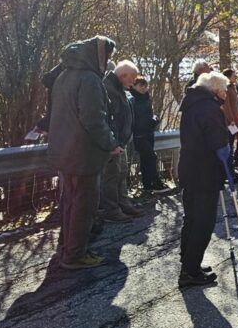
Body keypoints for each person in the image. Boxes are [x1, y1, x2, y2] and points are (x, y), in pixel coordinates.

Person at [46, 35, 120, 270]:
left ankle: (68, 248)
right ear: (98, 55)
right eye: (107, 55)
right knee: (84, 205)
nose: (108, 61)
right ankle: (75, 254)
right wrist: (111, 143)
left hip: (65, 152)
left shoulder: (64, 76)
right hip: (83, 154)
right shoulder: (88, 79)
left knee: (69, 202)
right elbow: (94, 120)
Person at [177, 71, 229, 288]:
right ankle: (190, 271)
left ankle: (189, 262)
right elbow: (218, 142)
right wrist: (228, 168)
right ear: (216, 89)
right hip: (205, 171)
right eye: (225, 89)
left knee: (191, 218)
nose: (226, 93)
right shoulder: (209, 108)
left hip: (189, 168)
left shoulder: (192, 104)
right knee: (203, 222)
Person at [100, 60, 143, 223]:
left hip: (121, 141)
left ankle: (123, 203)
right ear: (123, 75)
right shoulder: (108, 88)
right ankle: (112, 209)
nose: (133, 83)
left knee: (122, 173)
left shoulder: (119, 89)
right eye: (132, 78)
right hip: (114, 142)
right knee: (111, 176)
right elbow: (109, 118)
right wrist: (113, 142)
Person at [130, 78, 168, 192]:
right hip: (138, 134)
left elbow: (147, 115)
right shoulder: (132, 99)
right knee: (151, 157)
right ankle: (155, 183)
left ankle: (147, 185)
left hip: (148, 133)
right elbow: (136, 118)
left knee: (146, 159)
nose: (143, 88)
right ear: (134, 86)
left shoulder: (146, 98)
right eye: (141, 85)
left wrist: (154, 120)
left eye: (145, 86)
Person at [222, 69, 238, 171]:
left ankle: (231, 166)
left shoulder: (232, 88)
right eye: (234, 76)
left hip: (235, 119)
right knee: (229, 145)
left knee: (231, 143)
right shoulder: (226, 88)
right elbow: (226, 106)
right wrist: (231, 120)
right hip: (230, 122)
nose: (236, 77)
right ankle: (229, 169)